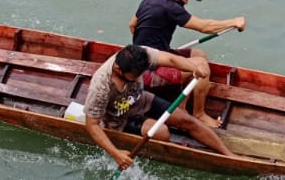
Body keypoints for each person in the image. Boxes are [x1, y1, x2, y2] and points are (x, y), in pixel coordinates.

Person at [84, 44, 237, 170]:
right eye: (134, 75)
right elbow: (92, 125)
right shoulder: (101, 86)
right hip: (118, 118)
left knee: (187, 120)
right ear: (118, 69)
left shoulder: (140, 54)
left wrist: (193, 68)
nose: (138, 77)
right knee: (162, 133)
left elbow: (170, 59)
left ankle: (229, 155)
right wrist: (116, 153)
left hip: (141, 100)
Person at [129, 0, 245, 127]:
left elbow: (132, 25)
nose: (187, 2)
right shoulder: (170, 7)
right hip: (147, 72)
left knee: (199, 54)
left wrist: (151, 44)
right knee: (201, 66)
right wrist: (234, 22)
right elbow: (205, 27)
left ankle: (182, 106)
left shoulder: (149, 0)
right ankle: (199, 114)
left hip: (146, 57)